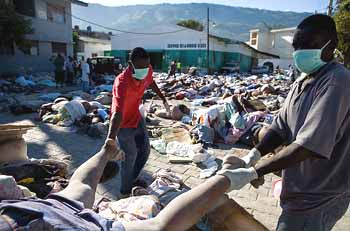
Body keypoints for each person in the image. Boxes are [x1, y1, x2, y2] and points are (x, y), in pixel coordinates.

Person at [216, 14, 350, 231]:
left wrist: (254, 172)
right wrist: (254, 155)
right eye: (297, 46)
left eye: (308, 45)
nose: (300, 53)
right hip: (299, 187)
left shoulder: (337, 81)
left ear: (331, 44)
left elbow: (308, 146)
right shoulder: (303, 81)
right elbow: (280, 127)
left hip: (320, 195)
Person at [0, 139, 245, 231]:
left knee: (160, 226)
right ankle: (228, 176)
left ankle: (227, 177)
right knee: (79, 186)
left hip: (37, 217)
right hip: (30, 210)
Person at [107, 47, 171, 196]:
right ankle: (124, 191)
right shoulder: (121, 83)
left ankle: (133, 178)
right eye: (140, 67)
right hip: (122, 124)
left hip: (136, 116)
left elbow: (151, 82)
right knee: (130, 156)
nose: (144, 70)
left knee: (145, 151)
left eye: (146, 66)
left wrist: (163, 99)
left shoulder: (147, 70)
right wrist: (110, 138)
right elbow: (117, 113)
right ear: (130, 64)